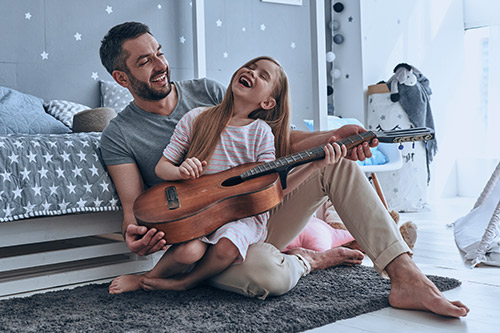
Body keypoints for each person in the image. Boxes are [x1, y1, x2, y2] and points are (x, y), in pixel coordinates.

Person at [99, 22, 469, 318]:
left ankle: (406, 278)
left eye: (159, 53)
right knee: (267, 277)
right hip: (201, 240)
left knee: (334, 165)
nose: (161, 65)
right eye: (144, 61)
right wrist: (135, 237)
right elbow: (134, 210)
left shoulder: (208, 93)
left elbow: (281, 142)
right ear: (121, 77)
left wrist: (333, 135)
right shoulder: (119, 134)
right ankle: (309, 258)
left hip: (256, 214)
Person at [109, 56, 348, 293]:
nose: (252, 72)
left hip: (241, 217)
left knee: (226, 247)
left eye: (262, 75)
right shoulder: (196, 117)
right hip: (200, 212)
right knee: (187, 251)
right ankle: (146, 279)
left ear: (267, 103)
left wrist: (314, 166)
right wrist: (180, 171)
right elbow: (162, 167)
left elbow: (271, 188)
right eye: (250, 67)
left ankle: (187, 282)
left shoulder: (260, 133)